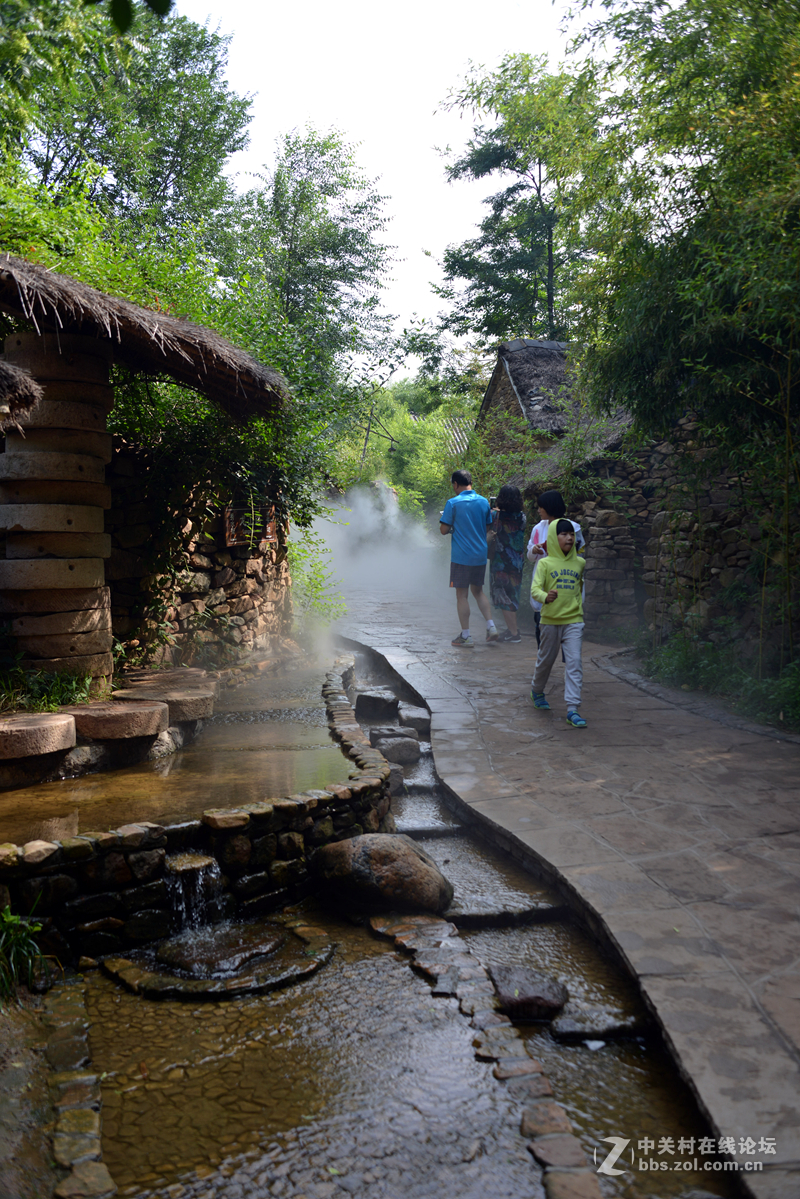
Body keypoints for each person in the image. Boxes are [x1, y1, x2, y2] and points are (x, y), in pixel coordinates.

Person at [529, 518, 587, 727]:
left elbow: (580, 590)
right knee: (546, 659)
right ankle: (537, 691)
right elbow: (535, 590)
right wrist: (545, 596)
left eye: (571, 534)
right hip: (550, 621)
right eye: (563, 534)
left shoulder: (580, 563)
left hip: (574, 620)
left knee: (574, 662)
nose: (569, 537)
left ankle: (573, 709)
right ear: (554, 537)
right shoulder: (544, 563)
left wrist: (579, 610)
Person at [440, 469, 498, 647]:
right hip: (480, 555)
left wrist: (450, 525)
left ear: (456, 484)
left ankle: (466, 636)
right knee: (478, 591)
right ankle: (491, 626)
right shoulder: (483, 502)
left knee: (462, 595)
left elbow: (443, 530)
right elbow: (488, 526)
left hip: (461, 557)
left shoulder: (453, 503)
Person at [526, 490, 586, 646]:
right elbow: (530, 555)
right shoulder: (538, 529)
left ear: (549, 507)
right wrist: (534, 550)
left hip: (565, 583)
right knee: (541, 626)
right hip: (544, 582)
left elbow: (579, 555)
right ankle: (544, 659)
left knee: (569, 629)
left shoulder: (573, 528)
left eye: (541, 507)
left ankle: (569, 661)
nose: (538, 511)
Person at [487, 483, 526, 643]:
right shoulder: (522, 516)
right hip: (517, 560)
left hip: (501, 562)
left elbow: (489, 528)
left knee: (504, 595)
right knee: (513, 593)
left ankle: (514, 633)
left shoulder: (495, 516)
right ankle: (512, 630)